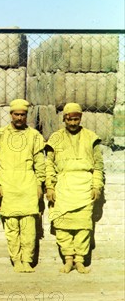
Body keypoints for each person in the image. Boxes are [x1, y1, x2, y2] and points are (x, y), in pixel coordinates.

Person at [45, 102, 104, 274]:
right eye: (69, 119)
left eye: (76, 119)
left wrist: (96, 186)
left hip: (84, 186)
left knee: (83, 226)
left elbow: (98, 167)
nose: (72, 123)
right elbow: (49, 165)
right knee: (62, 226)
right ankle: (68, 259)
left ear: (81, 118)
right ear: (64, 119)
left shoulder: (91, 137)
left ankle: (80, 261)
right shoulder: (55, 138)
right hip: (63, 186)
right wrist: (50, 187)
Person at [0, 99, 45, 273]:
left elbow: (39, 163)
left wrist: (39, 184)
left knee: (29, 227)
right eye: (16, 114)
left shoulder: (34, 136)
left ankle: (27, 260)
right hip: (7, 185)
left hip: (27, 184)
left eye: (23, 115)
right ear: (11, 115)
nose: (19, 118)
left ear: (26, 116)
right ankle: (16, 260)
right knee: (12, 227)